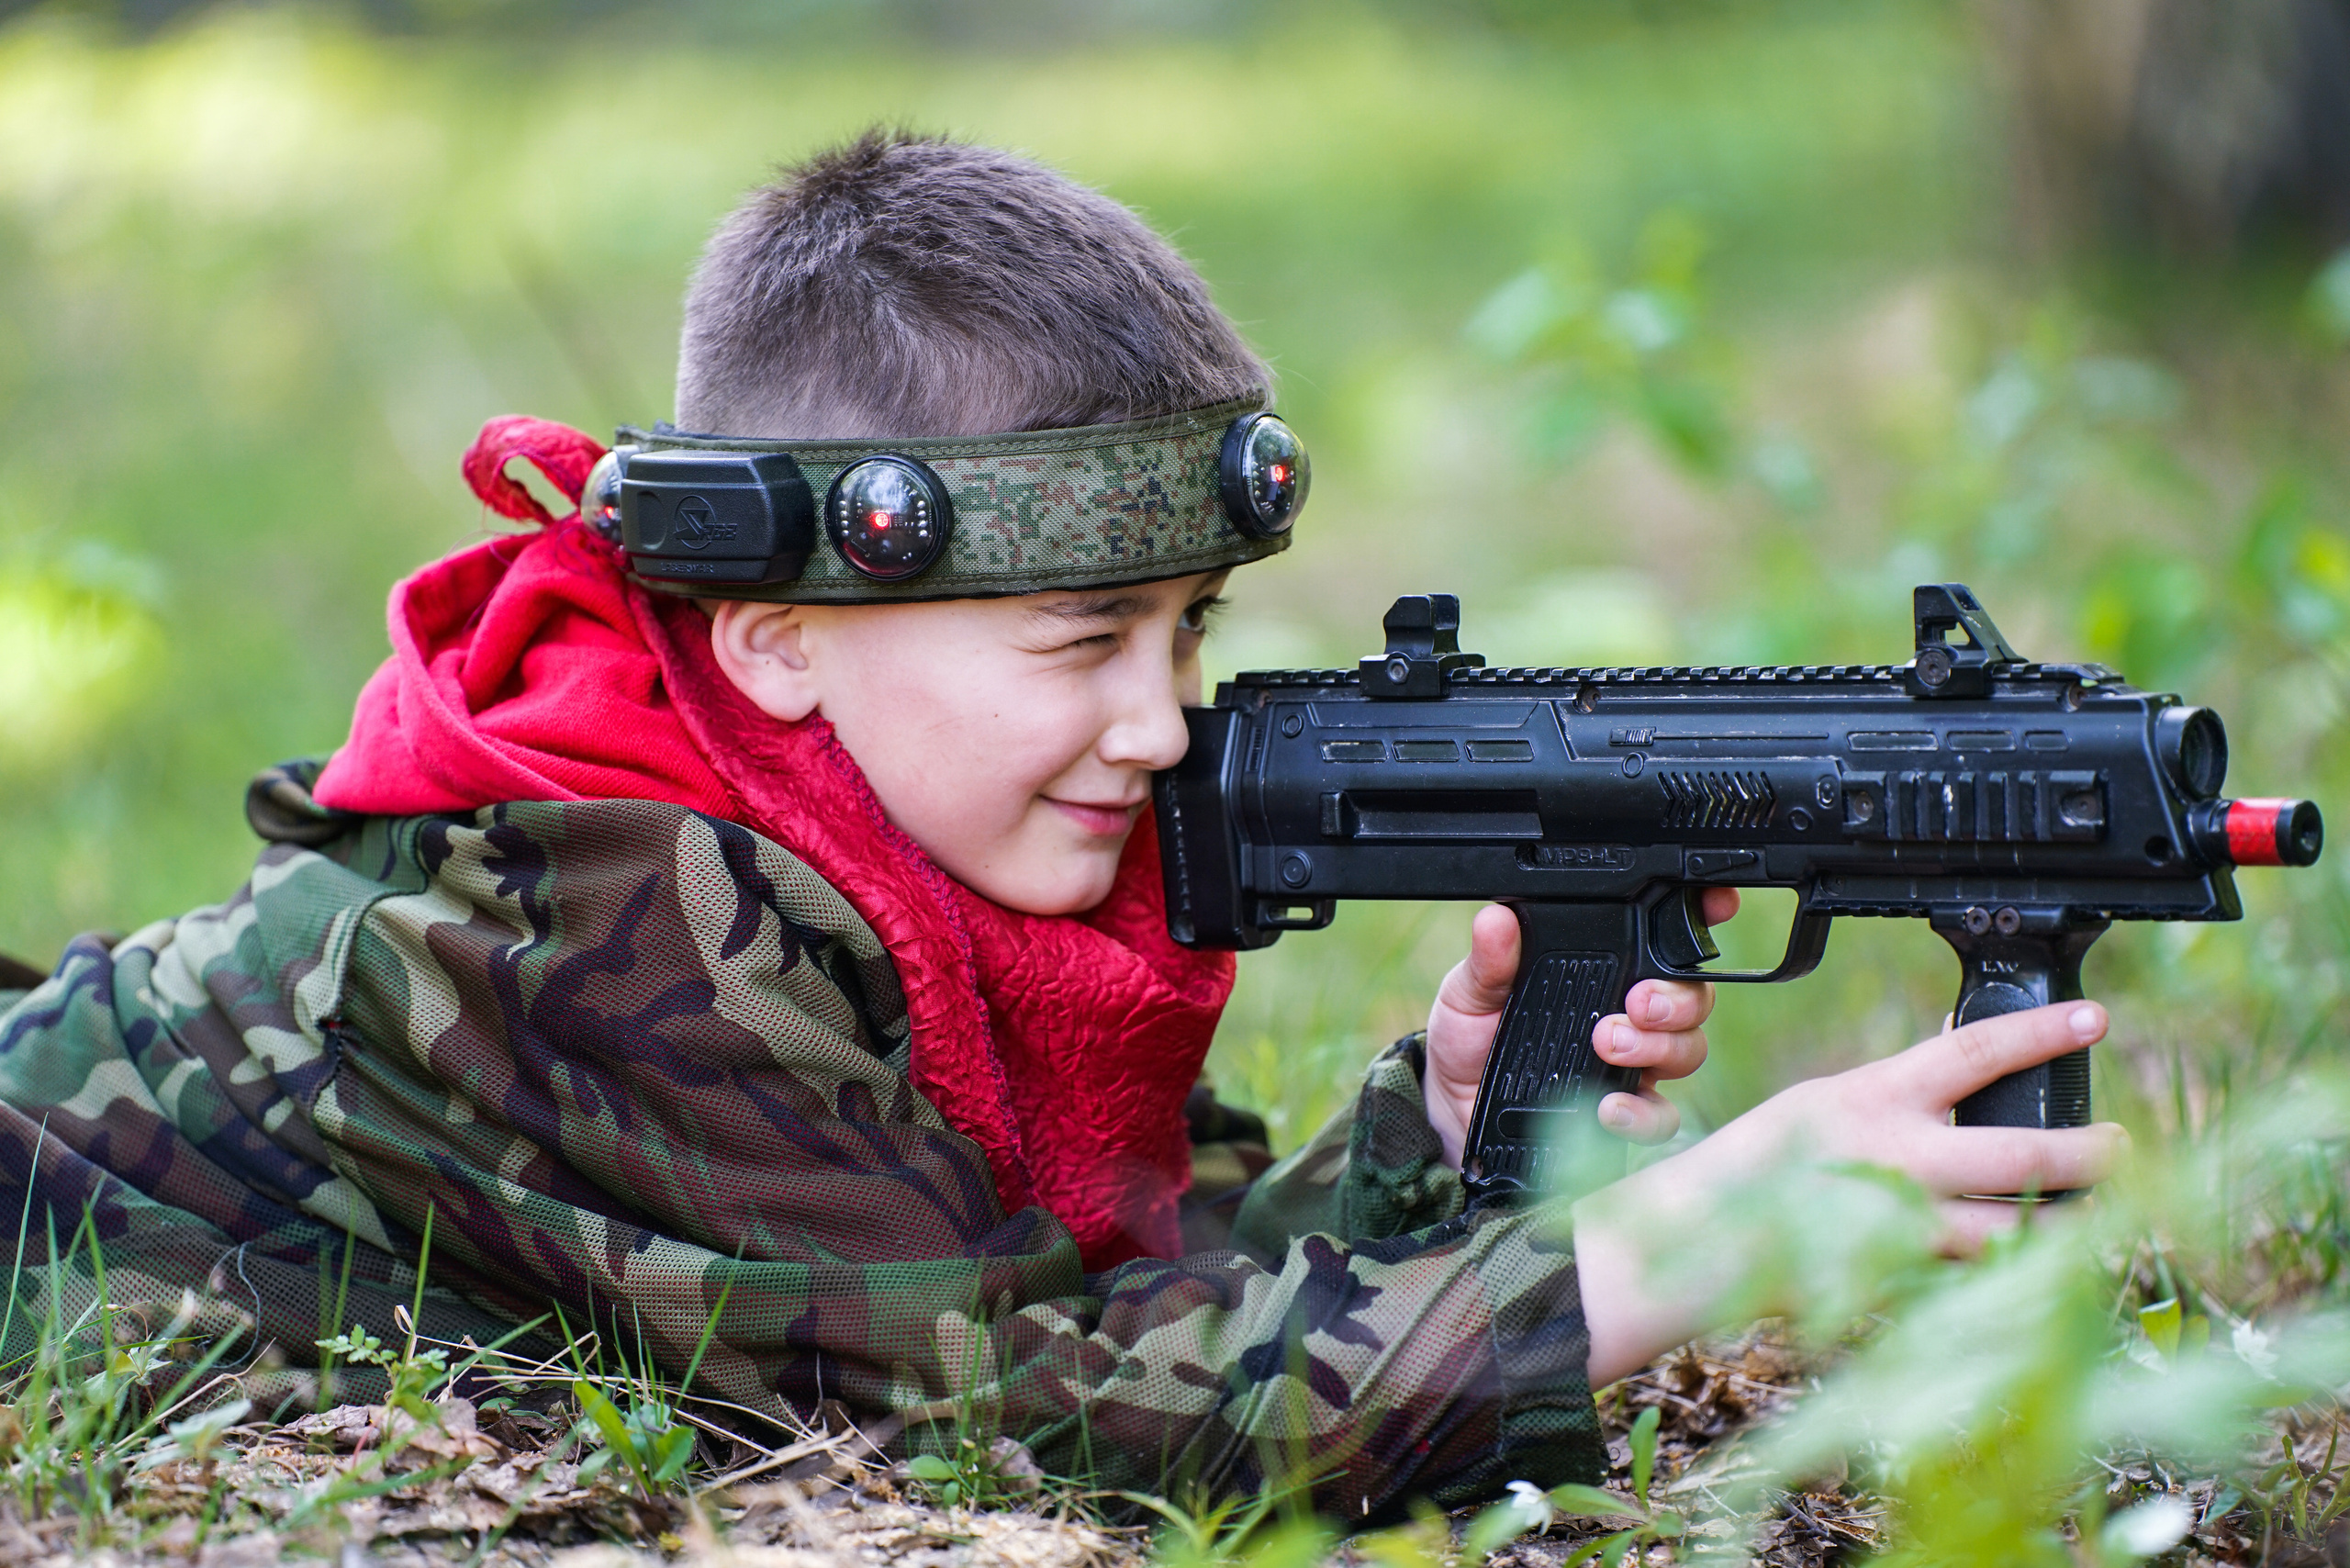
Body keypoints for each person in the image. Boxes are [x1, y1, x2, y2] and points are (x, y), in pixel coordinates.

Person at [0, 130, 2122, 1520]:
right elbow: (1043, 1418)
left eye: (1188, 629)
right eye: (1080, 638)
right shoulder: (615, 910)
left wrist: (1415, 1137)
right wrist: (1675, 1244)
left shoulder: (907, 846)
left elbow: (1111, 1279)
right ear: (779, 641)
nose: (1154, 720)